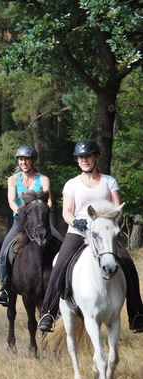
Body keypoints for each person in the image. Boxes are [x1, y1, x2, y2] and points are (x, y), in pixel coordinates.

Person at [37, 138, 143, 333]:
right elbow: (67, 212)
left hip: (104, 232)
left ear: (97, 158)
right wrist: (75, 221)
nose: (84, 160)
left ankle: (136, 314)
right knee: (59, 265)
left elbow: (118, 209)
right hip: (79, 231)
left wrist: (108, 220)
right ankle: (48, 313)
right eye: (80, 157)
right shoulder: (72, 184)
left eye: (88, 156)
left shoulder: (109, 181)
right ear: (77, 161)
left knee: (128, 263)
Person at [0, 145, 63, 306]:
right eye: (21, 159)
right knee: (4, 252)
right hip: (20, 222)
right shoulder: (13, 179)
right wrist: (18, 210)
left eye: (27, 159)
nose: (24, 162)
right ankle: (4, 288)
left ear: (33, 161)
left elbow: (49, 199)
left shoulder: (43, 179)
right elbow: (11, 199)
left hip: (40, 221)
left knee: (61, 243)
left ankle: (64, 284)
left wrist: (46, 207)